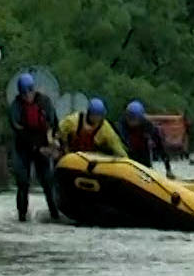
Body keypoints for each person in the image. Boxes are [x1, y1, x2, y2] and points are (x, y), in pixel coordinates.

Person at [7, 72, 60, 223]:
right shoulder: (15, 108)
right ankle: (22, 214)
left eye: (30, 91)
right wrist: (37, 148)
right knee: (23, 181)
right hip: (23, 148)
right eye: (24, 93)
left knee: (47, 181)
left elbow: (53, 123)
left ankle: (55, 213)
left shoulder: (45, 102)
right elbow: (20, 132)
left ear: (34, 89)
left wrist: (54, 142)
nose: (27, 95)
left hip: (43, 145)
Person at [57, 97, 127, 157]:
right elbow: (59, 131)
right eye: (94, 115)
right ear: (88, 113)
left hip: (89, 158)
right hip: (69, 154)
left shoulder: (105, 128)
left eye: (99, 116)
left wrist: (124, 157)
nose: (97, 118)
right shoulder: (73, 120)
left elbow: (115, 144)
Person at [119, 100, 173, 174]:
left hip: (143, 154)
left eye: (134, 119)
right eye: (129, 118)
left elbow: (160, 148)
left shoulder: (148, 126)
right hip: (127, 155)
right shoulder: (122, 125)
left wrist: (168, 169)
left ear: (141, 119)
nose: (131, 121)